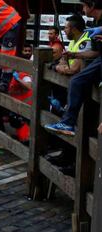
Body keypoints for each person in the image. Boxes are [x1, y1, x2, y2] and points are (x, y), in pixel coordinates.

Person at [45, 0, 102, 136]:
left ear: (92, 6)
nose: (82, 9)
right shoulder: (95, 24)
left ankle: (68, 122)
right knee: (76, 82)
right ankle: (68, 123)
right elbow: (96, 52)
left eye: (84, 5)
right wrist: (74, 54)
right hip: (98, 60)